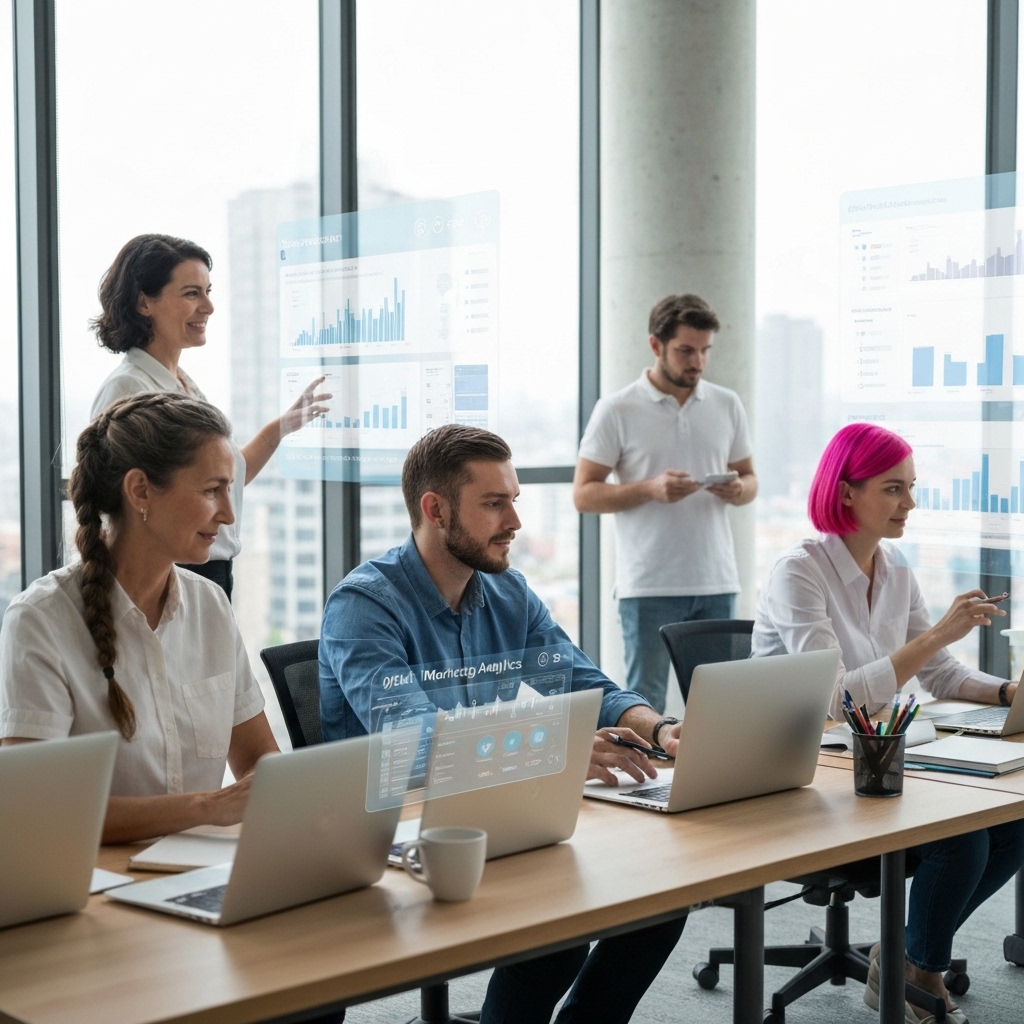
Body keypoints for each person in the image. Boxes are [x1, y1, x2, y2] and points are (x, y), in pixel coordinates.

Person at [320, 424, 687, 1024]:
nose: (515, 521)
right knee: (562, 914)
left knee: (662, 895)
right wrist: (556, 749)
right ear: (435, 510)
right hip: (390, 835)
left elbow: (578, 679)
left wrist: (659, 728)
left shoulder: (507, 592)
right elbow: (411, 747)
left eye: (513, 499)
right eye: (495, 503)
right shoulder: (365, 606)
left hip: (487, 806)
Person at [753, 422, 1024, 1024]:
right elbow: (833, 702)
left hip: (874, 755)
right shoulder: (799, 572)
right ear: (847, 492)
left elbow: (944, 676)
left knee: (1012, 827)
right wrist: (931, 638)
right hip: (803, 767)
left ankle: (906, 957)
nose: (910, 504)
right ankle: (917, 968)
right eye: (893, 489)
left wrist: (1008, 691)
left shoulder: (895, 567)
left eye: (911, 487)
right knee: (961, 836)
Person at [0, 392, 279, 845]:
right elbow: (35, 806)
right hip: (100, 886)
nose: (228, 515)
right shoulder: (40, 621)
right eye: (212, 490)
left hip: (202, 871)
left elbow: (259, 761)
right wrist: (209, 807)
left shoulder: (210, 605)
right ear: (140, 491)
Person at [89, 233, 330, 599]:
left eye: (208, 291)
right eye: (191, 293)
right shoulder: (128, 391)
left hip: (209, 570)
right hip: (173, 572)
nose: (209, 307)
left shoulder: (182, 383)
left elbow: (221, 482)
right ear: (144, 302)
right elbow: (126, 508)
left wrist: (280, 428)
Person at [573, 293, 757, 712]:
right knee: (646, 706)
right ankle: (648, 781)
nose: (698, 362)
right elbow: (583, 494)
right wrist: (650, 489)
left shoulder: (727, 403)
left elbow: (750, 479)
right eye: (686, 350)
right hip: (648, 586)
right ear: (656, 345)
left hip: (716, 582)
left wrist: (738, 490)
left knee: (722, 709)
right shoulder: (616, 409)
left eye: (705, 350)